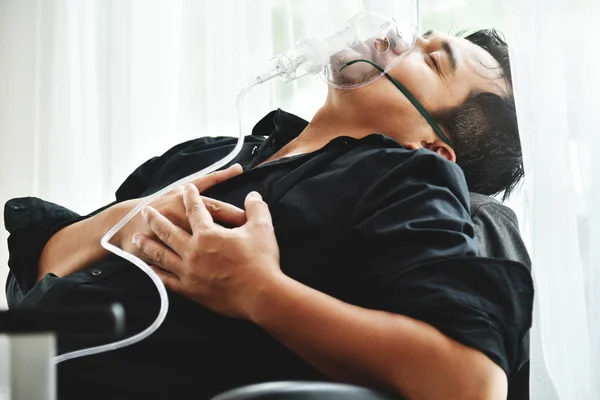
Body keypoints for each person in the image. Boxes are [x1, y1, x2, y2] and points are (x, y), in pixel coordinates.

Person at [4, 28, 533, 400]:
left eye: (432, 60)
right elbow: (40, 267)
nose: (395, 38)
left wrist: (258, 290)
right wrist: (129, 221)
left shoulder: (406, 181)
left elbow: (472, 383)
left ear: (431, 146)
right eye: (421, 35)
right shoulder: (210, 153)